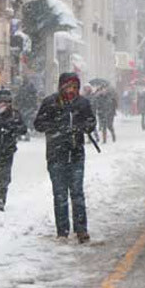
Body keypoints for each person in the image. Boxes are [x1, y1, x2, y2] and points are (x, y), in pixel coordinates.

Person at [34, 73, 98, 243]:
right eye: (68, 87)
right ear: (62, 87)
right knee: (60, 194)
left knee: (77, 193)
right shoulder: (50, 102)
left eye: (75, 87)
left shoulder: (83, 103)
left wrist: (81, 128)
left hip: (76, 154)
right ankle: (62, 230)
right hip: (56, 156)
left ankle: (81, 229)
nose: (72, 90)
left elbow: (91, 122)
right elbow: (38, 124)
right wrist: (57, 129)